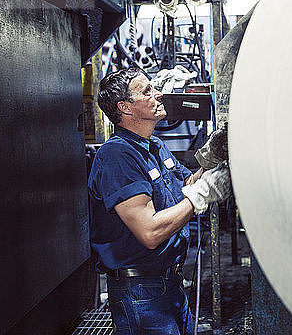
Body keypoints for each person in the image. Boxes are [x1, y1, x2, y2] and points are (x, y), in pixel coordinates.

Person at [88, 67, 231, 334]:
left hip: (170, 283)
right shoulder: (117, 157)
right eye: (147, 91)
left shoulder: (154, 145)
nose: (159, 94)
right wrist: (201, 195)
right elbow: (150, 232)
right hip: (141, 293)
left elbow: (186, 185)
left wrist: (209, 158)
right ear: (125, 108)